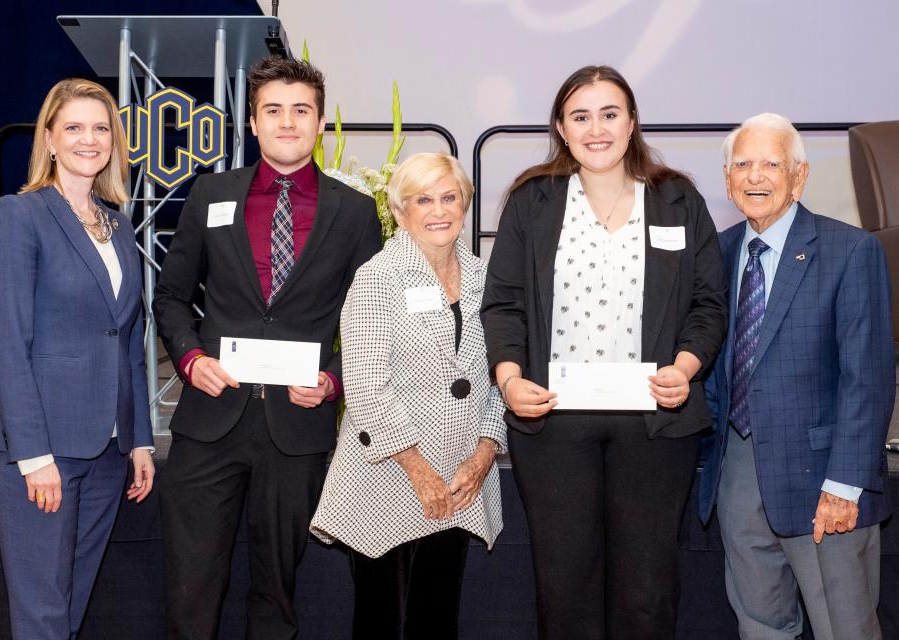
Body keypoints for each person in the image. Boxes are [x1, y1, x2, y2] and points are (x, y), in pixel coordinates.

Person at [480, 65, 728, 639]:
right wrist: (511, 378)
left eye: (610, 114)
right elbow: (504, 303)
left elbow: (708, 305)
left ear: (632, 121)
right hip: (554, 422)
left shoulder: (676, 199)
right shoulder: (532, 200)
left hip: (654, 423)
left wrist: (685, 369)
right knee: (564, 587)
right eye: (581, 116)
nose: (597, 129)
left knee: (648, 589)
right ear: (562, 129)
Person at [153, 57, 382, 639]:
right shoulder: (210, 194)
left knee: (276, 592)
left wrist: (334, 381)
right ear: (252, 123)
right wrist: (189, 359)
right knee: (190, 589)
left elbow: (367, 323)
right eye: (272, 110)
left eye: (300, 110)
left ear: (322, 124)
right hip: (209, 421)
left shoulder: (354, 213)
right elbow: (173, 296)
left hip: (296, 429)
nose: (287, 122)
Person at [698, 113, 894, 640]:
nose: (755, 176)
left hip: (824, 482)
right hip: (737, 475)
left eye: (770, 163)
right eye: (742, 164)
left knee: (845, 628)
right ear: (727, 179)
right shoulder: (716, 253)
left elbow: (868, 380)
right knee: (760, 625)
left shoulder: (851, 251)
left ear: (799, 176)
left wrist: (844, 485)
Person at [0, 78, 155, 639]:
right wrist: (33, 456)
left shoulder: (119, 225)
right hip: (41, 454)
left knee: (70, 607)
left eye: (101, 128)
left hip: (106, 453)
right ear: (50, 139)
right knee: (42, 614)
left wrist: (141, 440)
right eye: (74, 127)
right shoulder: (20, 215)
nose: (89, 139)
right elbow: (6, 343)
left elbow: (126, 338)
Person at [310, 152, 507, 639]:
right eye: (423, 199)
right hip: (390, 476)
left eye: (449, 197)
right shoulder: (377, 279)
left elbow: (505, 374)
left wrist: (484, 455)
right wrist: (421, 472)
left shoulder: (488, 279)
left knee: (437, 621)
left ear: (465, 204)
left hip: (462, 479)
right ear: (400, 212)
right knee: (380, 622)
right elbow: (365, 387)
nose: (439, 210)